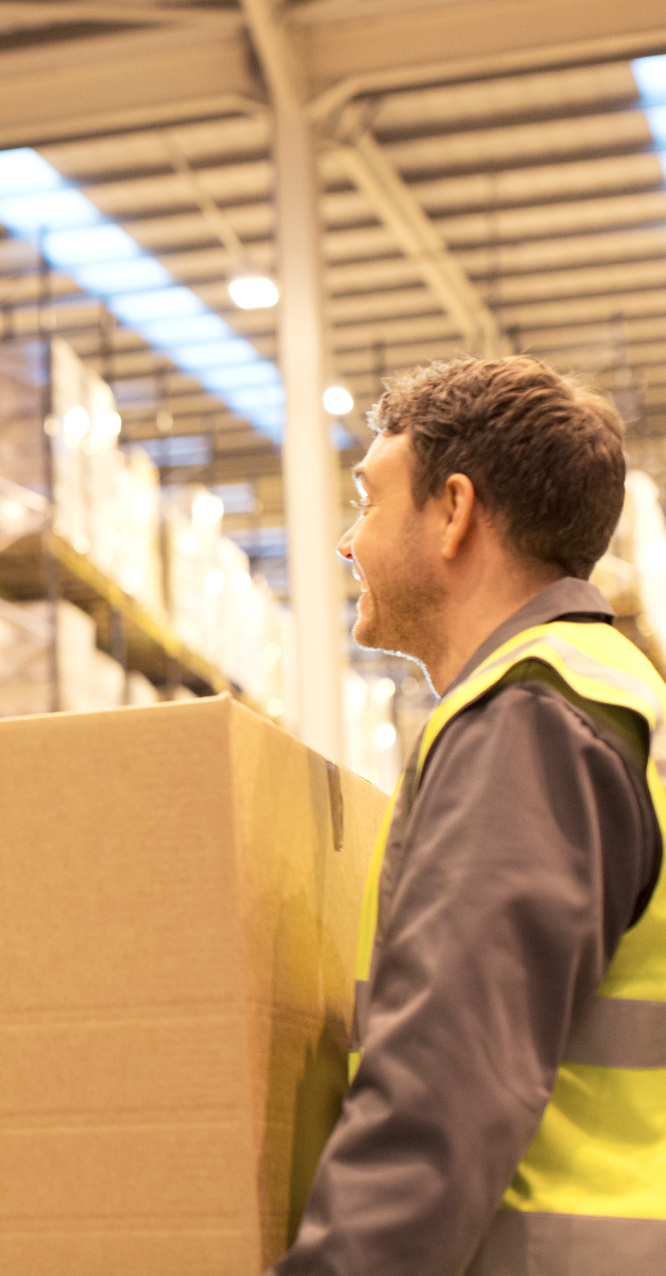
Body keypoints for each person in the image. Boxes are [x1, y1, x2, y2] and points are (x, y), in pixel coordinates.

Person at [272, 356, 666, 1275]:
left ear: (452, 512)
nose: (346, 540)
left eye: (369, 500)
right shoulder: (602, 694)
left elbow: (446, 1088)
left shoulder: (532, 714)